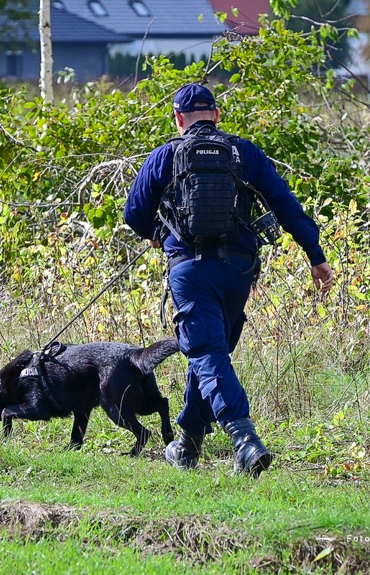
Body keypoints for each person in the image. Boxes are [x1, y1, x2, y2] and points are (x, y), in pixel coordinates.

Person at [123, 83, 334, 477]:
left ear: (178, 119)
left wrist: (158, 232)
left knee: (206, 353)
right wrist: (316, 257)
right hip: (238, 272)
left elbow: (134, 213)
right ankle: (187, 444)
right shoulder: (245, 152)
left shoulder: (166, 154)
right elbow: (287, 206)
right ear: (217, 116)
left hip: (189, 270)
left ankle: (245, 440)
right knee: (209, 351)